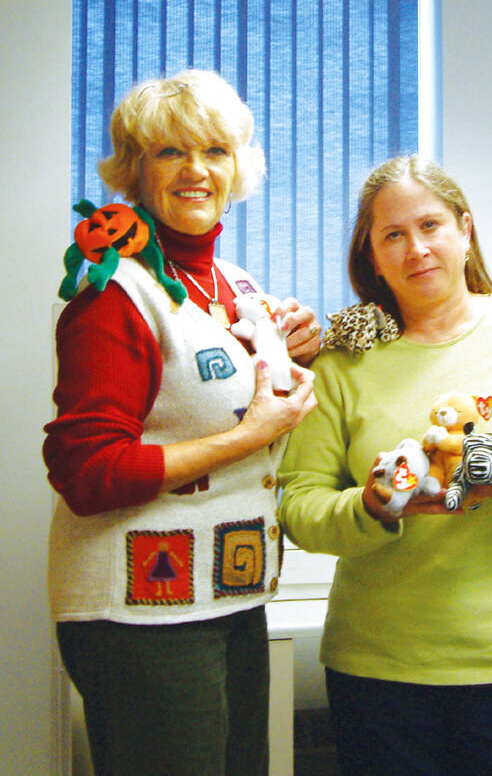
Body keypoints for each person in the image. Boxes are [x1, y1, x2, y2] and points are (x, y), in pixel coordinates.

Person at [277, 154, 492, 776]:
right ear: (373, 253)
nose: (415, 249)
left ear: (465, 231)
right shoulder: (341, 361)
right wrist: (369, 506)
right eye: (393, 235)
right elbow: (298, 506)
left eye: (430, 226)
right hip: (378, 670)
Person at [43, 69, 320, 776]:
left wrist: (284, 350)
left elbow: (213, 383)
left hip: (229, 595)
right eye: (170, 152)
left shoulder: (236, 284)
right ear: (134, 170)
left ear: (239, 168)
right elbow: (85, 470)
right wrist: (249, 434)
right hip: (142, 617)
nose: (197, 171)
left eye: (216, 152)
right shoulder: (114, 290)